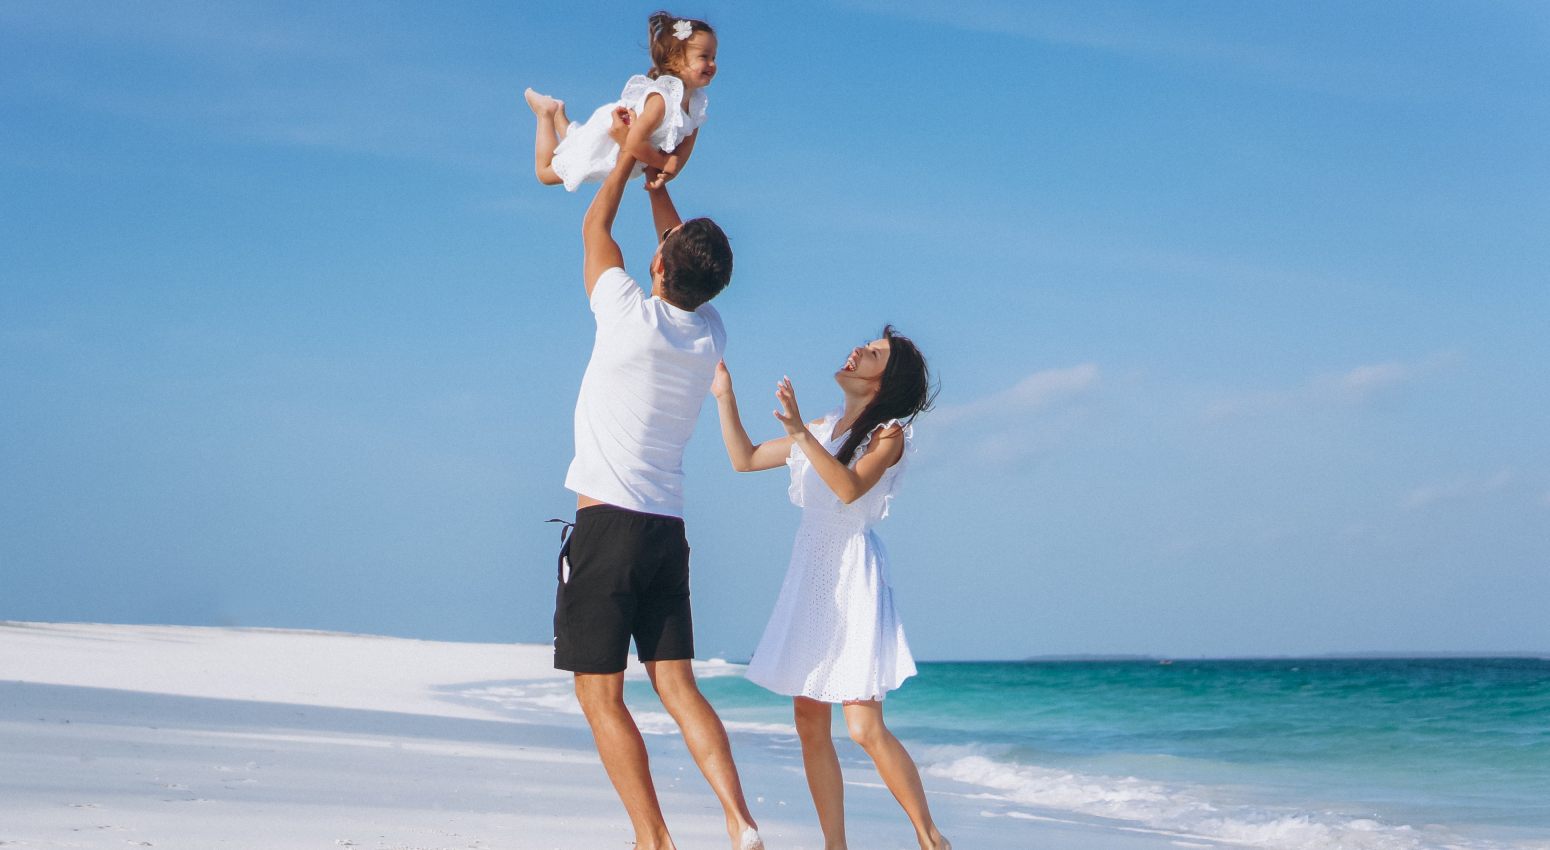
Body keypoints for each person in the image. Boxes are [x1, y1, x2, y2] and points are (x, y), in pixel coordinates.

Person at [552, 108, 761, 850]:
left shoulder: (626, 315)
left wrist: (624, 162)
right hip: (666, 532)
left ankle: (654, 839)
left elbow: (591, 231)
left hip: (608, 526)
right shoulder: (709, 334)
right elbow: (675, 256)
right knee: (678, 686)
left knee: (599, 694)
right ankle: (740, 821)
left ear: (661, 267)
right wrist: (656, 184)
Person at [711, 328, 951, 850]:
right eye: (867, 344)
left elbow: (847, 489)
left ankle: (931, 838)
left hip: (851, 574)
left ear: (886, 382)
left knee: (863, 725)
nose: (860, 349)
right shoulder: (821, 427)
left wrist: (801, 434)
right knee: (808, 718)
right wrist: (725, 396)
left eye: (877, 353)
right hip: (810, 572)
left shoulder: (889, 434)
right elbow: (745, 458)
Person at [525, 11, 715, 192]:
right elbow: (632, 140)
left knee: (577, 142)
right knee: (546, 174)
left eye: (713, 57)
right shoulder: (661, 100)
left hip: (629, 152)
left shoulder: (696, 104)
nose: (712, 64)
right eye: (703, 57)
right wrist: (663, 163)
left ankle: (559, 112)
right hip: (611, 141)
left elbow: (686, 146)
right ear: (675, 61)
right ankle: (546, 112)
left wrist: (668, 173)